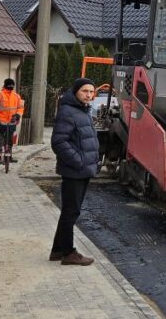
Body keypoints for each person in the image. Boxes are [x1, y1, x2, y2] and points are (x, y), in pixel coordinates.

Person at [50, 78, 99, 266]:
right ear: (76, 92)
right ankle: (68, 253)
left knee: (70, 211)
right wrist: (78, 161)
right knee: (71, 212)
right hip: (74, 171)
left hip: (83, 169)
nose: (88, 95)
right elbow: (59, 142)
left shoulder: (82, 110)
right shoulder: (68, 111)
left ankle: (57, 250)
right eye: (85, 91)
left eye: (91, 92)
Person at [0, 78, 24, 164]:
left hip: (11, 122)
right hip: (0, 122)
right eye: (9, 85)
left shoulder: (16, 96)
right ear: (5, 85)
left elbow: (21, 107)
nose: (11, 87)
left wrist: (18, 115)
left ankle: (8, 156)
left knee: (9, 141)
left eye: (12, 85)